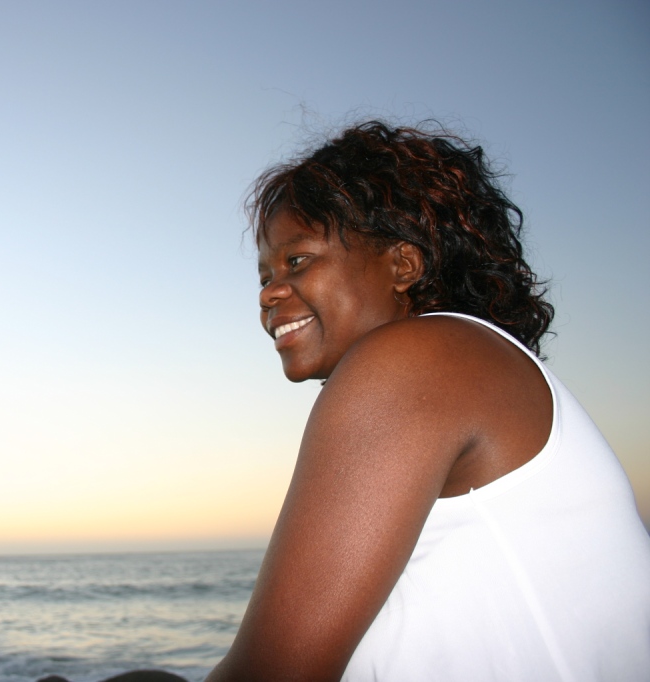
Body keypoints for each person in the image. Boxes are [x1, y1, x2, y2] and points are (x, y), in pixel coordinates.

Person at [206, 121, 650, 681]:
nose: (268, 293)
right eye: (265, 274)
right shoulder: (469, 362)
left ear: (403, 265)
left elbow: (274, 673)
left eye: (297, 262)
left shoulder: (414, 358)